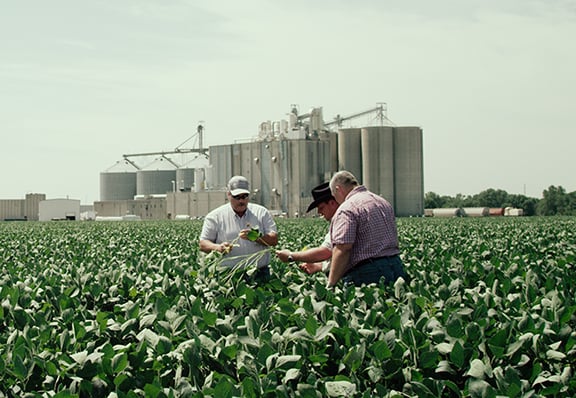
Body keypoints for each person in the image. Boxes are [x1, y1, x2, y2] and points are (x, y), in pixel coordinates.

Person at [327, 170, 408, 287]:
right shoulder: (382, 202)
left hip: (368, 272)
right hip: (396, 266)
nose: (336, 201)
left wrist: (331, 283)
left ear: (338, 189)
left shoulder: (348, 208)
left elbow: (343, 248)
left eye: (334, 196)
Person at [199, 175, 278, 282]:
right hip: (229, 274)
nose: (241, 201)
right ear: (229, 195)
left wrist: (255, 237)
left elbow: (274, 240)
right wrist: (218, 248)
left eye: (244, 196)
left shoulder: (261, 213)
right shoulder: (215, 216)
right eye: (237, 197)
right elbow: (203, 244)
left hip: (260, 272)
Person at [275, 182, 339, 274]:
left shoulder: (343, 220)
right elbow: (335, 255)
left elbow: (325, 252)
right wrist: (318, 266)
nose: (319, 212)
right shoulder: (337, 221)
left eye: (321, 207)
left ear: (332, 203)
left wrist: (291, 256)